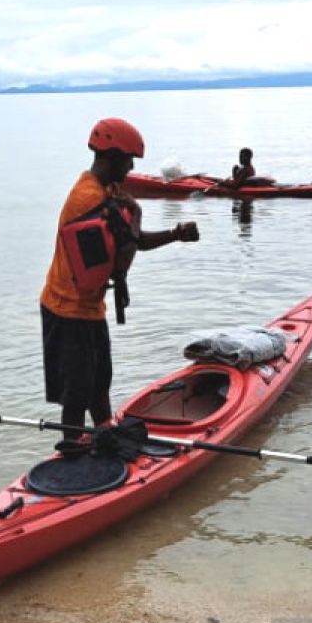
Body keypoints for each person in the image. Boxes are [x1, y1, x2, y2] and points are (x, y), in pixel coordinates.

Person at [40, 117, 200, 438]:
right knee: (77, 392)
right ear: (110, 156)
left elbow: (131, 239)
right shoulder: (87, 200)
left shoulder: (108, 190)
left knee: (100, 382)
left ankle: (104, 437)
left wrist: (175, 234)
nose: (130, 168)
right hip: (66, 309)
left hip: (88, 308)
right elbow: (119, 264)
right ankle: (71, 452)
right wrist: (138, 214)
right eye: (128, 160)